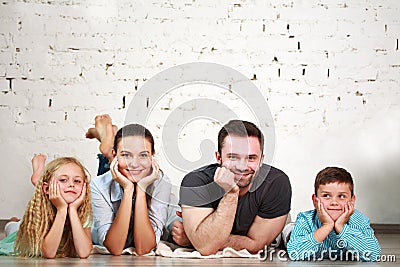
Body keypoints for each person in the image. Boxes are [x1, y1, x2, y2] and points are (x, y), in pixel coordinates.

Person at [179, 120, 292, 255]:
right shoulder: (196, 182)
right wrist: (231, 193)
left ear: (262, 159)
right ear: (218, 157)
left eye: (251, 158)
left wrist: (195, 239)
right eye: (233, 157)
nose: (242, 167)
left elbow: (256, 245)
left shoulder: (276, 183)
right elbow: (206, 247)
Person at [86, 115, 190, 248]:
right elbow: (115, 247)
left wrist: (141, 189)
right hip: (114, 177)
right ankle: (108, 147)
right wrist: (129, 190)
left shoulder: (161, 181)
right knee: (117, 173)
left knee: (127, 169)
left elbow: (143, 247)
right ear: (115, 155)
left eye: (143, 155)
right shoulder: (98, 185)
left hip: (127, 172)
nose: (134, 164)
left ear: (153, 156)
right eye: (125, 154)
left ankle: (109, 143)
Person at [287, 167, 381, 261]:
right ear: (315, 201)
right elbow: (294, 253)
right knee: (286, 230)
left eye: (341, 196)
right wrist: (327, 226)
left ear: (352, 201)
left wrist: (341, 227)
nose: (334, 202)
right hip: (290, 233)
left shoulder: (359, 220)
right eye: (326, 196)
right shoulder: (305, 219)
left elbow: (374, 254)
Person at [13, 157, 92, 258]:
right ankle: (13, 221)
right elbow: (49, 253)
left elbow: (84, 252)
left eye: (77, 181)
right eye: (63, 180)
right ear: (46, 188)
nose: (71, 184)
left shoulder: (83, 209)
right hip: (17, 235)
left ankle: (37, 179)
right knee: (12, 227)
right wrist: (61, 209)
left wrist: (72, 210)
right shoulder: (41, 208)